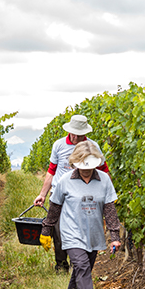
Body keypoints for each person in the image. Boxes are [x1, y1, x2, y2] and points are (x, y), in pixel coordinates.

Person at [39, 141, 121, 289]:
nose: (86, 170)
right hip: (71, 232)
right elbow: (54, 207)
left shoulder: (104, 180)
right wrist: (46, 230)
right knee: (82, 266)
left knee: (81, 271)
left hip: (93, 233)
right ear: (75, 162)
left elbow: (109, 209)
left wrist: (114, 236)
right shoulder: (65, 181)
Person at [33, 114, 109, 272]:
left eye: (79, 134)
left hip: (83, 196)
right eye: (73, 133)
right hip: (60, 195)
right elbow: (51, 171)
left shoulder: (92, 146)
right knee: (59, 232)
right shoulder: (58, 145)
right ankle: (61, 265)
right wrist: (42, 194)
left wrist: (108, 195)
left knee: (81, 231)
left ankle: (78, 265)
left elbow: (104, 171)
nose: (75, 137)